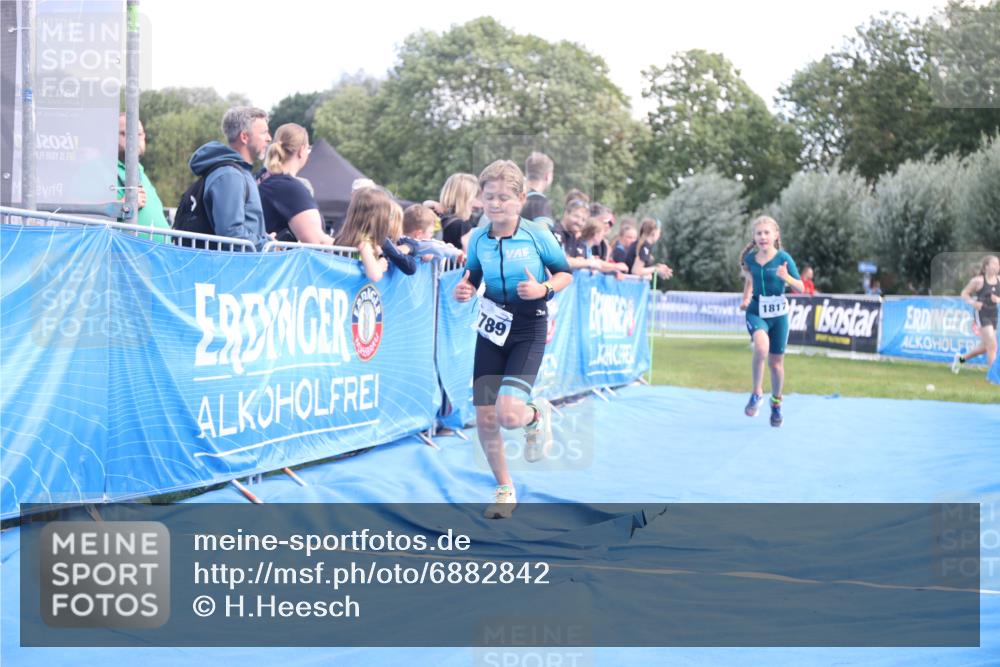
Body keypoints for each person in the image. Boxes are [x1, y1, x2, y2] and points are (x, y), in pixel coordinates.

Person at [453, 160, 573, 519]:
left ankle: (535, 413)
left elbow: (565, 273)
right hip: (492, 327)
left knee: (507, 415)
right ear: (481, 199)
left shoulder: (537, 234)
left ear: (520, 199)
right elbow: (472, 275)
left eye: (504, 198)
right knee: (486, 417)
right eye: (489, 197)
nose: (496, 204)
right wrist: (466, 287)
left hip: (528, 327)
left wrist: (543, 289)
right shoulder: (478, 238)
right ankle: (505, 488)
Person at [738, 215, 804, 427]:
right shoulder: (750, 260)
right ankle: (757, 393)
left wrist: (787, 278)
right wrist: (746, 298)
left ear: (776, 235)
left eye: (767, 233)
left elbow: (801, 288)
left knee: (776, 364)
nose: (763, 236)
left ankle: (776, 403)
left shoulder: (784, 258)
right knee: (761, 347)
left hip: (779, 317)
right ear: (754, 237)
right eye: (759, 233)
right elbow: (750, 279)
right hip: (757, 311)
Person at [185, 106, 272, 249]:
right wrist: (267, 246)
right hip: (233, 268)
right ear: (244, 137)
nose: (269, 138)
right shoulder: (230, 176)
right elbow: (231, 235)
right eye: (264, 133)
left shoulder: (237, 173)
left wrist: (265, 238)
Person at [257, 123, 333, 244]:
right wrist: (361, 253)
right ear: (302, 150)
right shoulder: (289, 188)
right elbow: (318, 242)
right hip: (280, 262)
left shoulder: (261, 178)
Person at [335, 188, 416, 282]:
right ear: (378, 216)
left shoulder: (346, 237)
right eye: (388, 214)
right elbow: (374, 275)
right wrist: (380, 265)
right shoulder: (364, 243)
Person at [116, 113, 170, 242]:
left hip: (156, 256)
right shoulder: (102, 169)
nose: (134, 139)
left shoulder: (139, 170)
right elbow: (89, 213)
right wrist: (124, 206)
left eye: (138, 134)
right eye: (126, 134)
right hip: (127, 257)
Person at [952, 255, 999, 374]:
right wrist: (973, 302)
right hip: (982, 313)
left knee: (984, 347)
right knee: (993, 345)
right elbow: (964, 293)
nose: (997, 266)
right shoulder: (978, 280)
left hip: (993, 313)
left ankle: (960, 359)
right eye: (993, 264)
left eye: (998, 264)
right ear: (986, 267)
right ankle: (993, 375)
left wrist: (997, 299)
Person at [437, 173, 481, 250]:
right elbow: (469, 256)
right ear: (466, 198)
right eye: (475, 196)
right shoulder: (461, 225)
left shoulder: (439, 218)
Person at [520, 152, 555, 229]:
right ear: (548, 176)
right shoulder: (540, 202)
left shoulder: (515, 196)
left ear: (527, 173)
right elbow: (543, 235)